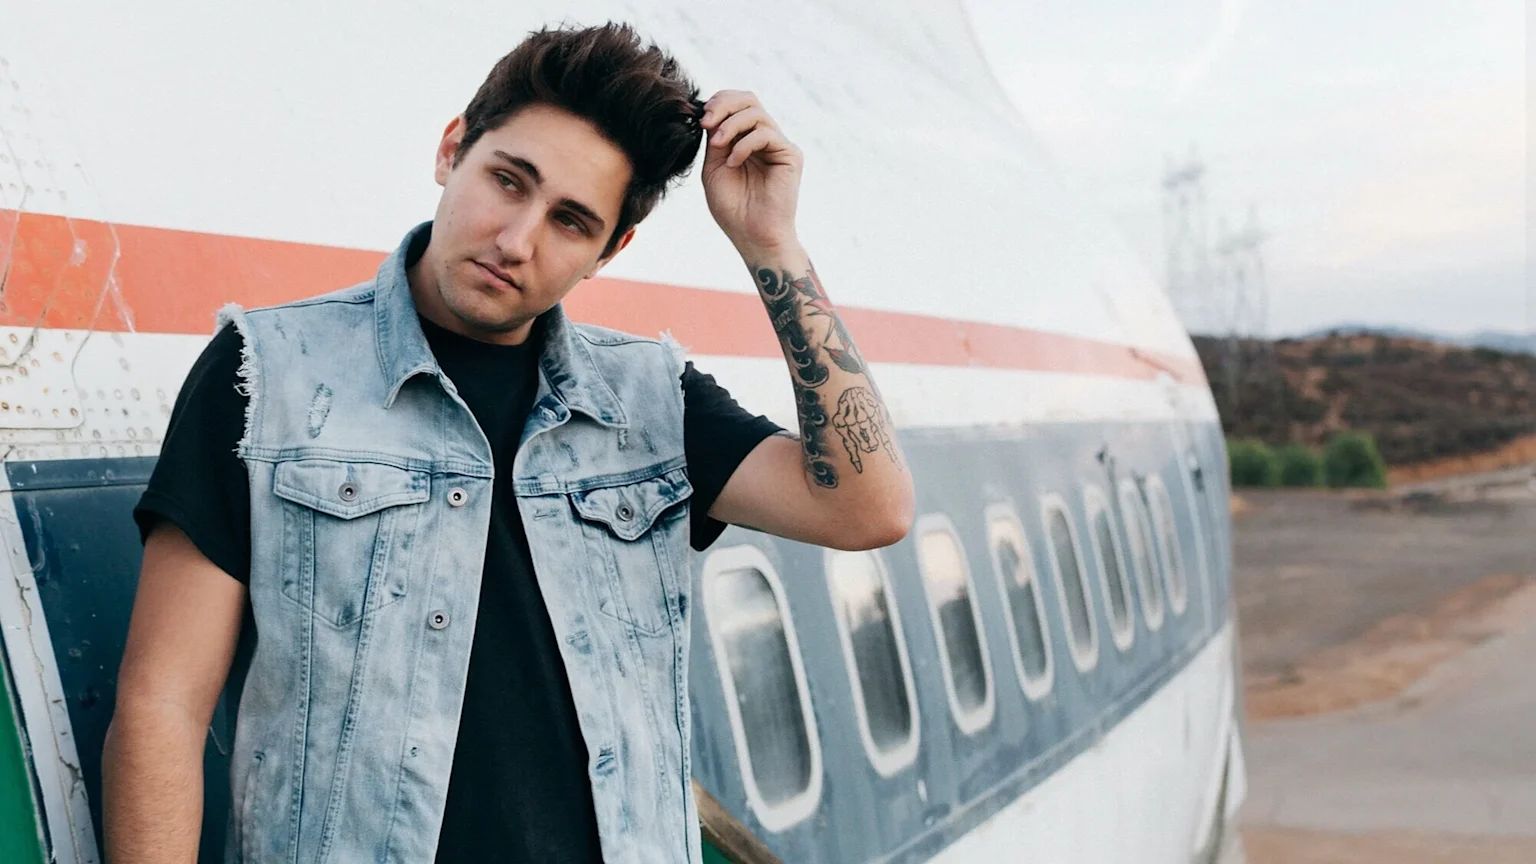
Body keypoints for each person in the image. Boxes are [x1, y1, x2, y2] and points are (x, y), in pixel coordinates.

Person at [102, 21, 913, 864]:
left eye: (570, 220)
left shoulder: (649, 400)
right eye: (507, 180)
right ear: (453, 149)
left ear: (611, 249)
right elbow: (163, 708)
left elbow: (867, 506)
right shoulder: (268, 375)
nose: (516, 240)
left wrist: (770, 243)